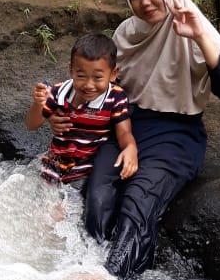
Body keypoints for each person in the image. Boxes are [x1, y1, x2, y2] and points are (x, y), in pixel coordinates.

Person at [57, 0, 220, 279]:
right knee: (99, 196)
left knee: (137, 201)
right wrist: (62, 113)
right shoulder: (126, 34)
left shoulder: (193, 25)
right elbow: (100, 90)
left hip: (175, 135)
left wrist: (199, 35)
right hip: (125, 127)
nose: (145, 1)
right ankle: (85, 268)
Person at [25, 32, 138, 187]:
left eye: (98, 77)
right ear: (71, 71)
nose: (89, 85)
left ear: (113, 74)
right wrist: (38, 104)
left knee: (67, 206)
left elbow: (124, 132)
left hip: (86, 168)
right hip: (53, 163)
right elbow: (31, 125)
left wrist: (131, 148)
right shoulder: (59, 92)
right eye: (81, 76)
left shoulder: (115, 97)